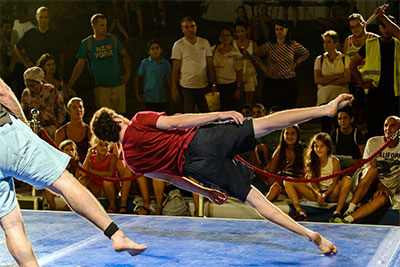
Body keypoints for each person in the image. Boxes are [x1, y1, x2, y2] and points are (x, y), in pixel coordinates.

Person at [90, 94, 356, 255]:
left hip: (198, 169)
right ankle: (324, 109)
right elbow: (177, 121)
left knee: (254, 200)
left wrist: (205, 191)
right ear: (116, 121)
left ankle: (309, 235)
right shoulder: (138, 120)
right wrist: (218, 114)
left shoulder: (131, 161)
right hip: (201, 141)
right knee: (265, 124)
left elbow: (172, 178)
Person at [0, 78, 146, 266]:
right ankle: (116, 235)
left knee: (10, 223)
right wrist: (25, 127)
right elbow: (3, 92)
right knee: (64, 182)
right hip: (6, 133)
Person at [337, 116, 400, 224]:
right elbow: (371, 167)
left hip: (386, 190)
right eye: (386, 125)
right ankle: (350, 208)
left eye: (392, 125)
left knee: (382, 200)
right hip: (366, 181)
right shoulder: (373, 142)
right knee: (372, 170)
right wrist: (380, 186)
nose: (388, 129)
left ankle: (347, 219)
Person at [66, 13, 131, 114]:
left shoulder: (112, 39)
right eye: (101, 25)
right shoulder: (87, 43)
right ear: (93, 26)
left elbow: (125, 55)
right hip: (101, 87)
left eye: (106, 25)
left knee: (121, 117)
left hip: (118, 84)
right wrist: (70, 83)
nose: (105, 28)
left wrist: (127, 73)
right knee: (105, 118)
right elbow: (80, 64)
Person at [349, 11, 399, 138]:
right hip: (375, 93)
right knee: (375, 129)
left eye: (388, 27)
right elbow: (353, 64)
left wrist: (383, 17)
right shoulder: (371, 44)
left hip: (395, 94)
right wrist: (361, 83)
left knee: (395, 130)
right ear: (379, 28)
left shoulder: (398, 44)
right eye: (383, 26)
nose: (386, 30)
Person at [285, 133, 352, 222]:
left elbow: (334, 183)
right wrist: (318, 194)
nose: (318, 149)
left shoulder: (334, 161)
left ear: (328, 148)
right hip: (315, 193)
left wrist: (325, 194)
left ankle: (337, 212)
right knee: (287, 181)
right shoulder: (310, 160)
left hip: (331, 193)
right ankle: (299, 211)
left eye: (322, 146)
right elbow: (310, 182)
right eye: (316, 146)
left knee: (347, 179)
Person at [254, 20, 309, 111]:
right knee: (271, 107)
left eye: (281, 29)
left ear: (286, 30)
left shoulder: (292, 45)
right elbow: (255, 55)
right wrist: (263, 68)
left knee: (288, 108)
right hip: (272, 80)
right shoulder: (270, 45)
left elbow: (305, 53)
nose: (279, 32)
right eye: (277, 29)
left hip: (288, 80)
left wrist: (296, 63)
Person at [171, 16, 217, 113]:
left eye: (192, 26)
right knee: (188, 114)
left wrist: (213, 83)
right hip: (187, 86)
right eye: (187, 27)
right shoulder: (178, 45)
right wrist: (174, 88)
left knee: (206, 114)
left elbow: (210, 64)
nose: (190, 30)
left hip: (203, 85)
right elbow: (175, 68)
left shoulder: (204, 43)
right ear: (182, 29)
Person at [343, 13, 379, 126]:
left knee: (370, 118)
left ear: (364, 24)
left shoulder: (374, 39)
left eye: (357, 26)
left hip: (369, 85)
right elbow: (345, 62)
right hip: (352, 85)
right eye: (352, 27)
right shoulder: (348, 41)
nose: (355, 29)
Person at [314, 30, 350, 134]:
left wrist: (326, 81)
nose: (325, 45)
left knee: (341, 127)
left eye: (328, 42)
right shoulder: (319, 59)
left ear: (336, 44)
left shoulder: (344, 59)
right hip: (324, 99)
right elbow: (317, 79)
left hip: (341, 99)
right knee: (326, 128)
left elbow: (346, 79)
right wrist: (336, 76)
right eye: (324, 42)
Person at [14, 6, 64, 72]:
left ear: (49, 18)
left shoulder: (56, 34)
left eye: (45, 17)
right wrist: (25, 62)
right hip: (35, 71)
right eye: (41, 17)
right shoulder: (30, 34)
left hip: (52, 72)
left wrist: (61, 70)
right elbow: (17, 47)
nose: (43, 20)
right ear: (36, 17)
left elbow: (61, 53)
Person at [20, 66, 66, 139]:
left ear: (39, 83)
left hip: (51, 128)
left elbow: (61, 108)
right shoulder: (26, 93)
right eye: (27, 85)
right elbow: (22, 113)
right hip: (33, 129)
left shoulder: (50, 90)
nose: (29, 88)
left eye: (32, 85)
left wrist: (58, 124)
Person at [265, 125, 306, 201]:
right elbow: (271, 172)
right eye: (287, 133)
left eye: (292, 133)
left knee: (303, 187)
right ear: (283, 135)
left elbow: (307, 172)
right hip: (283, 180)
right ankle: (276, 193)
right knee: (273, 182)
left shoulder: (304, 150)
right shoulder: (279, 151)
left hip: (298, 180)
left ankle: (282, 191)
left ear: (297, 135)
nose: (289, 136)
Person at [134, 39, 172, 112]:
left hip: (162, 97)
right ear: (149, 52)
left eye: (157, 48)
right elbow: (136, 78)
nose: (155, 51)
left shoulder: (166, 63)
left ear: (161, 50)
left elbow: (169, 79)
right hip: (149, 97)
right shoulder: (145, 63)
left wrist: (173, 92)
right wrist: (137, 94)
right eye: (152, 49)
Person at [44, 139, 80, 211]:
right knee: (46, 187)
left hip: (70, 188)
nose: (70, 152)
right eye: (67, 150)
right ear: (61, 151)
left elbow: (76, 181)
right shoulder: (55, 164)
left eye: (72, 150)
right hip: (59, 188)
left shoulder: (77, 165)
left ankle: (65, 209)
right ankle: (54, 208)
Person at [212, 28, 243, 111]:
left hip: (230, 85)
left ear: (231, 38)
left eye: (227, 35)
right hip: (217, 85)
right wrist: (213, 85)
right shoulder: (213, 50)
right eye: (223, 35)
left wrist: (238, 88)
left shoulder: (235, 53)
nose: (225, 37)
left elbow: (239, 71)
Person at [55, 97, 91, 163]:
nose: (78, 109)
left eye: (80, 107)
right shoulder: (60, 132)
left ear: (84, 110)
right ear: (68, 111)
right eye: (74, 107)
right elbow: (57, 156)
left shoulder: (89, 131)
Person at [234, 22, 258, 105]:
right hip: (236, 74)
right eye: (238, 32)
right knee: (239, 100)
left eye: (242, 31)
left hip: (249, 73)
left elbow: (257, 60)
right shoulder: (233, 44)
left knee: (249, 100)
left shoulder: (253, 44)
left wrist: (250, 57)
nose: (240, 34)